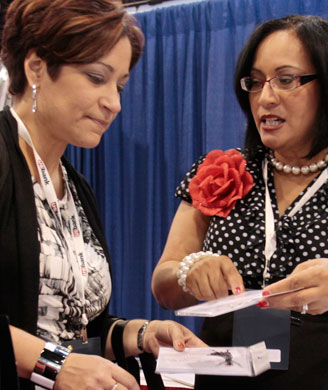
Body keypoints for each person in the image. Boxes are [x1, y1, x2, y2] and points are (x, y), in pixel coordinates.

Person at [152, 15, 328, 390]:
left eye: (286, 80)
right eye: (255, 83)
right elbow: (163, 284)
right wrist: (189, 271)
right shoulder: (220, 172)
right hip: (224, 378)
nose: (265, 97)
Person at [0, 1, 207, 389]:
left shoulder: (76, 187)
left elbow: (79, 327)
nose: (115, 103)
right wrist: (52, 365)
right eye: (97, 77)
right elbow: (55, 354)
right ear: (36, 67)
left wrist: (141, 334)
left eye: (120, 85)